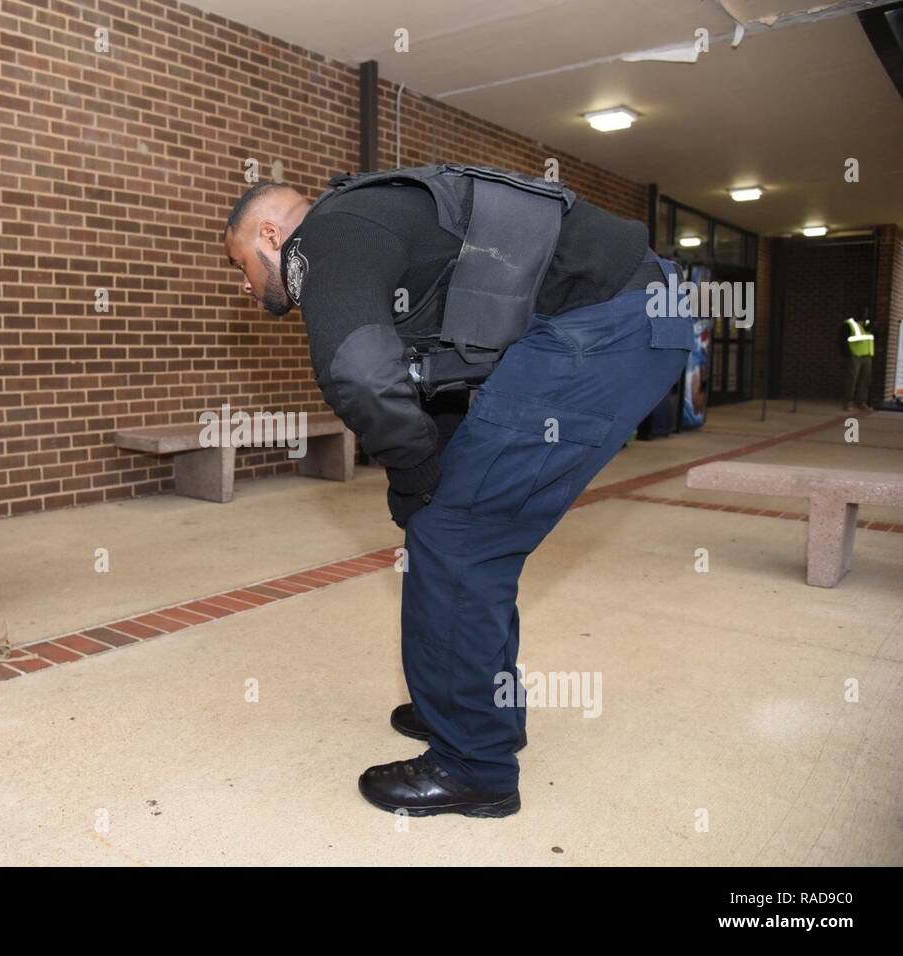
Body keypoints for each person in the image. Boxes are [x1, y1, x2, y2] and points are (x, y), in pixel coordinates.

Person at [222, 166, 694, 817]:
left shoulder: (325, 238)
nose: (243, 285)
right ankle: (474, 704)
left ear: (271, 234)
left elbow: (359, 373)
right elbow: (436, 373)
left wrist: (416, 480)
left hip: (603, 327)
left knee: (457, 538)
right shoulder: (380, 223)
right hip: (614, 317)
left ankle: (474, 764)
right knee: (462, 530)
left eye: (240, 263)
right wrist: (422, 477)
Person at [840, 315, 874, 411]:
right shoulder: (850, 324)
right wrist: (848, 354)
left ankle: (861, 402)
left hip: (867, 356)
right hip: (854, 357)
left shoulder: (867, 325)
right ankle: (847, 402)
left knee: (865, 381)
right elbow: (842, 340)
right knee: (851, 380)